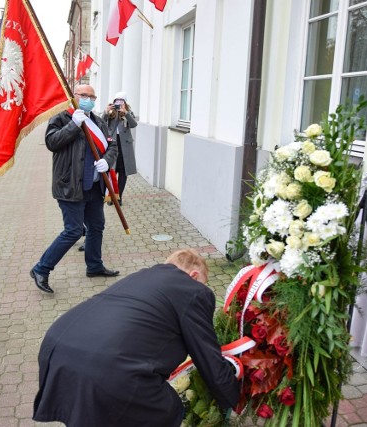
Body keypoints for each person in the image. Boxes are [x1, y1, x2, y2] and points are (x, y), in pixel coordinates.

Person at [33, 249, 241, 426]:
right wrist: (234, 397)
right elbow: (207, 355)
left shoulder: (142, 276)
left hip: (57, 346)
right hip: (108, 368)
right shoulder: (193, 290)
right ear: (194, 276)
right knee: (168, 410)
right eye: (203, 283)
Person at [30, 84, 119, 294]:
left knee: (96, 227)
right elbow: (52, 142)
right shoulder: (62, 117)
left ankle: (94, 266)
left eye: (92, 96)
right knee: (73, 231)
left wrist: (107, 161)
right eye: (84, 95)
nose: (88, 99)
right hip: (70, 185)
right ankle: (41, 269)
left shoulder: (98, 120)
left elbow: (112, 145)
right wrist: (74, 125)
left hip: (95, 186)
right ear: (74, 96)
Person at [103, 92, 138, 205]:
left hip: (125, 147)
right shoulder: (110, 112)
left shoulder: (128, 112)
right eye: (116, 100)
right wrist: (106, 112)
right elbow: (101, 123)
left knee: (123, 172)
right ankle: (111, 196)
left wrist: (126, 113)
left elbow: (133, 125)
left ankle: (119, 197)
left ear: (125, 102)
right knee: (112, 171)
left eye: (121, 100)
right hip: (112, 145)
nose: (118, 103)